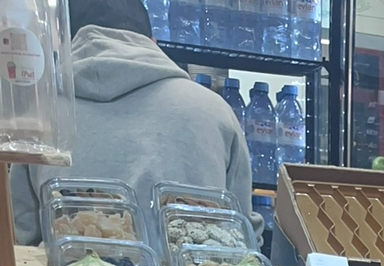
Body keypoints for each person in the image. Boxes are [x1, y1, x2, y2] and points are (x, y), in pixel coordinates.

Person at [10, 0, 256, 245]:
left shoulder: (38, 115)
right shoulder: (215, 111)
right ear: (153, 43)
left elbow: (20, 241)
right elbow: (242, 239)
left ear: (66, 43)